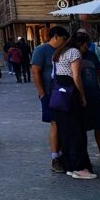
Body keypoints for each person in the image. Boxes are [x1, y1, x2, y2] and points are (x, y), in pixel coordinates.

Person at [51, 32, 95, 179]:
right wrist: (83, 96)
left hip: (59, 94)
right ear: (81, 44)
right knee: (77, 131)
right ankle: (79, 167)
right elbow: (76, 76)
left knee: (65, 131)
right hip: (71, 93)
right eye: (85, 46)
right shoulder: (74, 52)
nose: (86, 50)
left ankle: (69, 166)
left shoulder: (59, 52)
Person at [31, 26, 70, 174]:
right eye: (63, 39)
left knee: (62, 123)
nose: (65, 42)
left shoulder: (64, 51)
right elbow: (35, 71)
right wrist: (42, 93)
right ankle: (55, 157)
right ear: (56, 37)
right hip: (49, 93)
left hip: (63, 92)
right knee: (55, 123)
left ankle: (62, 153)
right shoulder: (41, 51)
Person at [78, 30, 100, 165]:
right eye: (85, 45)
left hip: (95, 94)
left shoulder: (91, 55)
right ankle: (83, 156)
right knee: (81, 128)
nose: (87, 47)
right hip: (80, 97)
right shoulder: (72, 56)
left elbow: (99, 73)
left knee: (99, 126)